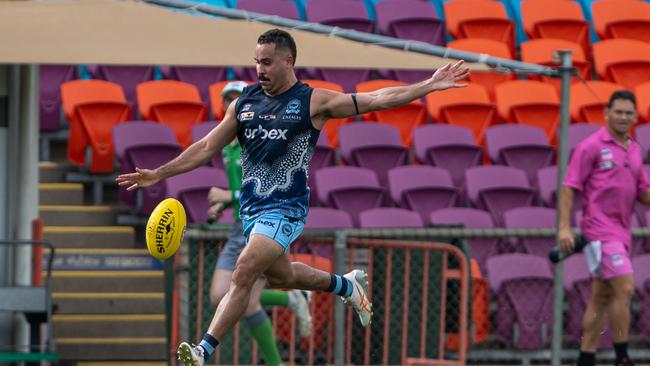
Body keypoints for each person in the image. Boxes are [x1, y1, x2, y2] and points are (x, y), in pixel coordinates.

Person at [116, 28, 470, 366]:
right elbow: (207, 146)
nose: (259, 69)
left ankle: (202, 350)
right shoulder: (244, 104)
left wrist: (429, 85)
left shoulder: (312, 102)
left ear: (288, 62)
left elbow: (377, 99)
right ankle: (346, 285)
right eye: (256, 61)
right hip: (252, 212)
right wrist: (159, 173)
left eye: (267, 62)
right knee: (283, 278)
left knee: (244, 272)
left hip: (286, 209)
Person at [206, 80, 312, 366]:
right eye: (226, 99)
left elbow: (267, 184)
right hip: (239, 224)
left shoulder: (255, 136)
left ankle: (275, 362)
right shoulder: (228, 143)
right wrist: (225, 203)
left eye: (235, 98)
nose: (231, 104)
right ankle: (292, 299)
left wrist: (231, 194)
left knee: (247, 300)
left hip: (261, 223)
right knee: (219, 295)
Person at [559, 90, 650, 366]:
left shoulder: (634, 149)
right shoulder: (591, 146)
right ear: (607, 113)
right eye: (618, 111)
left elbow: (643, 191)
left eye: (628, 112)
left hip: (622, 232)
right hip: (599, 231)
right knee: (625, 287)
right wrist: (564, 228)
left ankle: (585, 357)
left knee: (602, 296)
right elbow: (569, 186)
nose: (623, 117)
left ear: (635, 116)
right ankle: (622, 357)